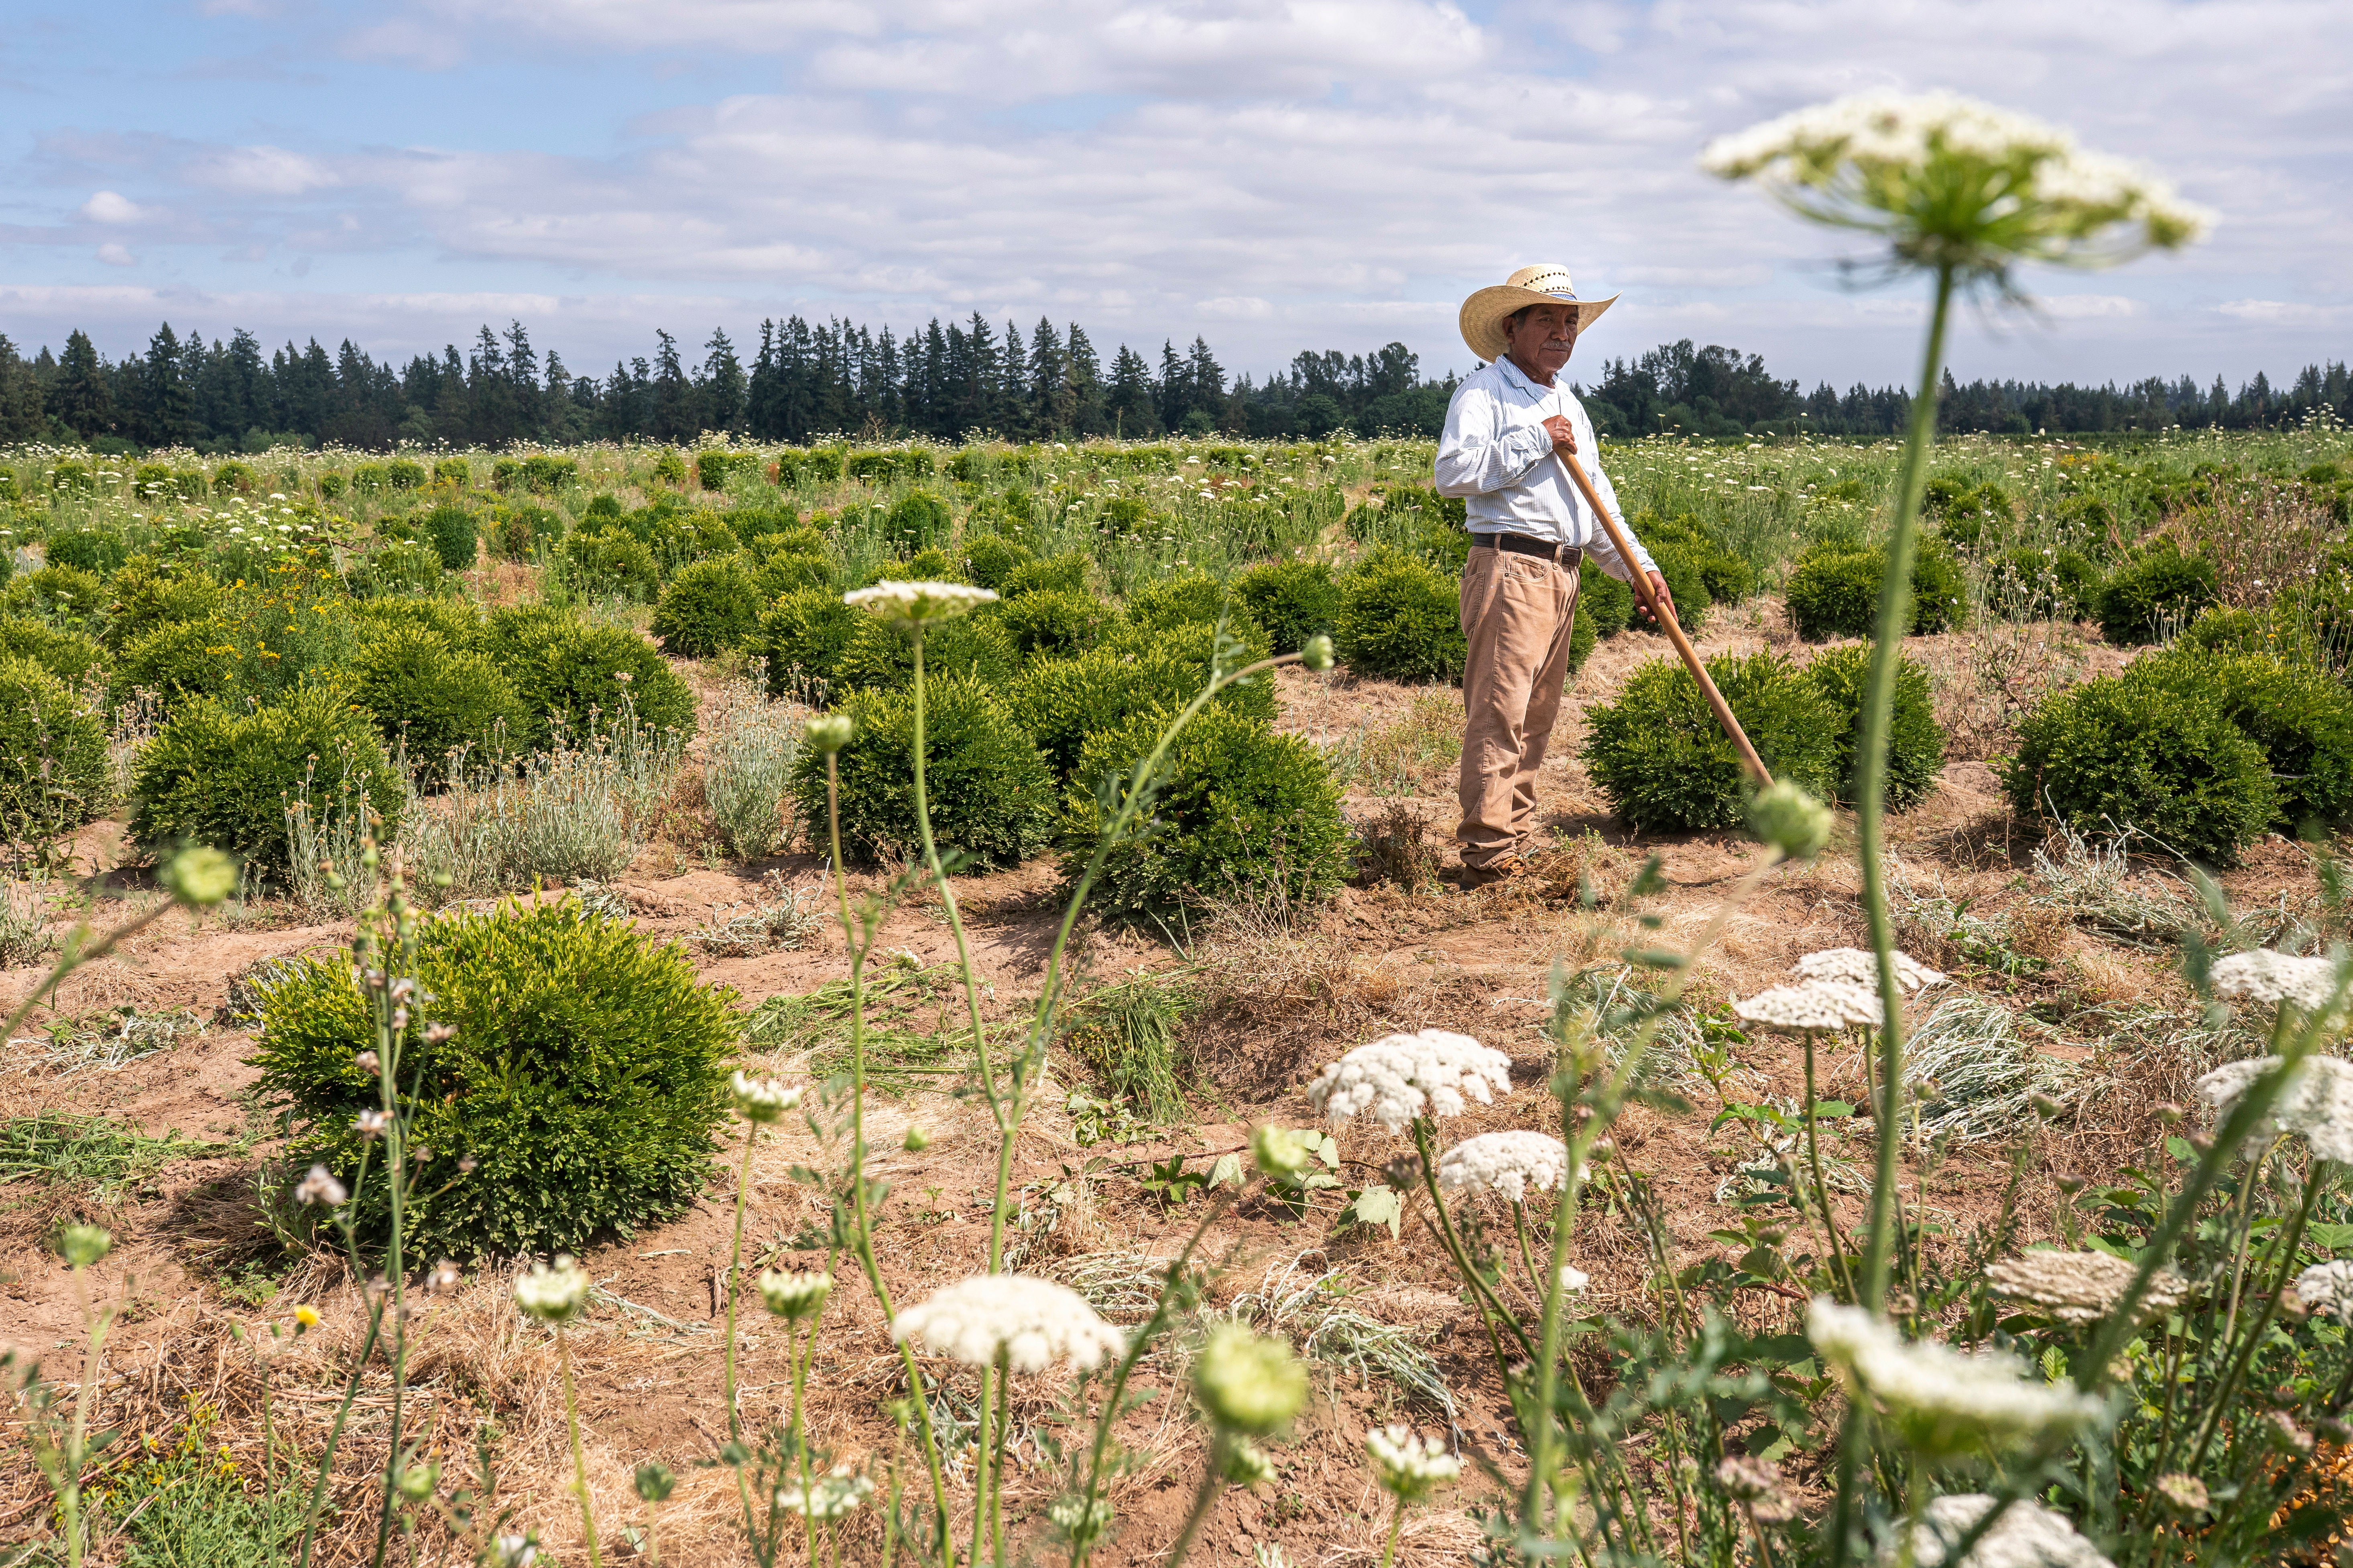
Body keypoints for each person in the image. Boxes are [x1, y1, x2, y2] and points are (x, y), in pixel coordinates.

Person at [1435, 264, 1672, 886]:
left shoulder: (1568, 402)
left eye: (1570, 321)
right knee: (1500, 712)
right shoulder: (1484, 392)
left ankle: (1511, 839)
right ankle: (1486, 858)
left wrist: (1640, 571)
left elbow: (1597, 506)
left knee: (1537, 718)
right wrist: (1534, 442)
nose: (1563, 332)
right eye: (1547, 318)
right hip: (1510, 567)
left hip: (1564, 573)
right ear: (1511, 327)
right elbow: (1452, 474)